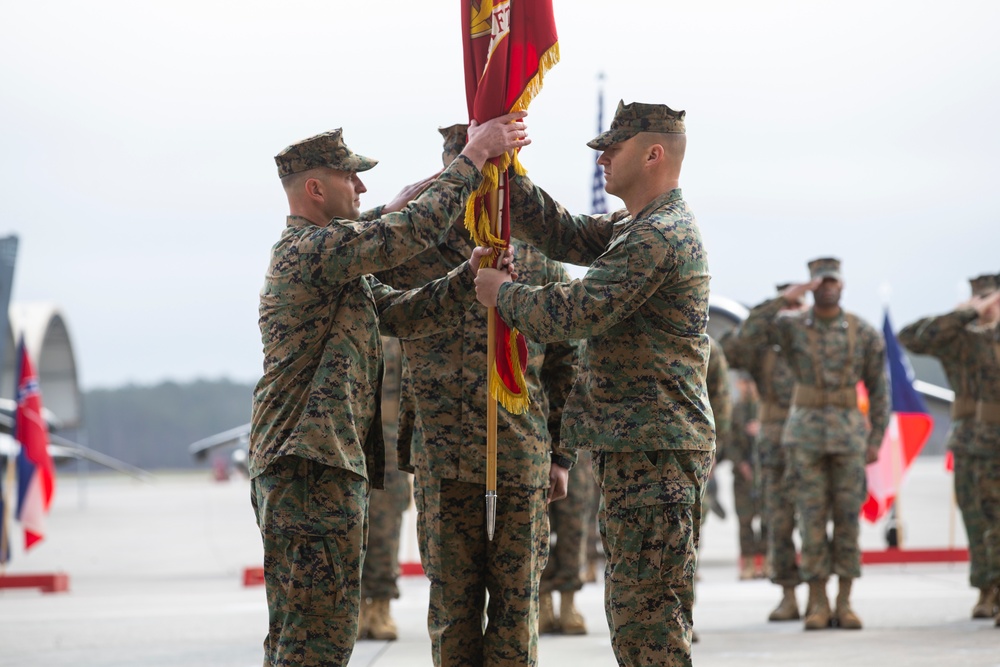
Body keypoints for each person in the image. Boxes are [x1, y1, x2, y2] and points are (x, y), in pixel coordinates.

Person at [248, 115, 527, 667]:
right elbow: (407, 234)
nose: (363, 187)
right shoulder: (310, 253)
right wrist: (473, 158)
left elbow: (403, 312)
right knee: (314, 641)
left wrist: (467, 277)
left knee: (309, 635)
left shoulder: (336, 265)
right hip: (307, 469)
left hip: (319, 467)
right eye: (351, 177)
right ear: (315, 189)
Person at [474, 100, 714, 667]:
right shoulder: (636, 227)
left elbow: (579, 311)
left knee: (649, 623)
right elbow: (564, 232)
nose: (603, 157)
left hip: (655, 451)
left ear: (654, 154)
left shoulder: (662, 235)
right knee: (636, 617)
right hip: (638, 449)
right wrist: (503, 170)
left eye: (615, 148)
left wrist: (501, 295)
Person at [372, 123, 579, 667]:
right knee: (452, 608)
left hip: (520, 456)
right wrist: (388, 213)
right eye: (462, 173)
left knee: (515, 607)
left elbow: (564, 363)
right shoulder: (412, 253)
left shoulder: (535, 259)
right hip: (443, 457)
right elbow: (352, 266)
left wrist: (561, 457)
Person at [738, 257, 889, 631]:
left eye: (832, 281)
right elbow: (747, 336)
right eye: (819, 282)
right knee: (811, 521)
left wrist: (876, 438)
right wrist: (785, 299)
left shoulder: (863, 332)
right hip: (803, 437)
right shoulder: (791, 329)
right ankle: (817, 601)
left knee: (847, 521)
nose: (827, 287)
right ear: (810, 286)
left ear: (843, 285)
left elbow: (879, 389)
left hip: (848, 437)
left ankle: (845, 600)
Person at [897, 274, 1000, 620]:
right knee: (975, 518)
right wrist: (963, 315)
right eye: (983, 299)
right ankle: (986, 588)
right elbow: (911, 337)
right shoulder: (958, 338)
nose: (990, 306)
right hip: (971, 443)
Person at [721, 283, 807, 621]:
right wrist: (773, 307)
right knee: (778, 521)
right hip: (776, 445)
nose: (791, 311)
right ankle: (789, 593)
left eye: (797, 304)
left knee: (818, 520)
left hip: (816, 440)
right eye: (785, 304)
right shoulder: (762, 351)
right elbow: (730, 346)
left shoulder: (819, 340)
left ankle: (824, 596)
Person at [357, 336, 412, 641]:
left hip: (390, 441)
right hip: (354, 435)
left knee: (386, 527)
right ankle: (356, 607)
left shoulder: (401, 330)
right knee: (353, 527)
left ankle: (380, 607)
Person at [729, 371, 765, 580]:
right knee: (745, 520)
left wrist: (759, 431)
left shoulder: (762, 409)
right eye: (744, 383)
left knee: (766, 519)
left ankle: (766, 562)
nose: (747, 387)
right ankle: (748, 563)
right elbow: (729, 440)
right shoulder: (736, 410)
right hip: (742, 475)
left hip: (763, 473)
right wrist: (741, 464)